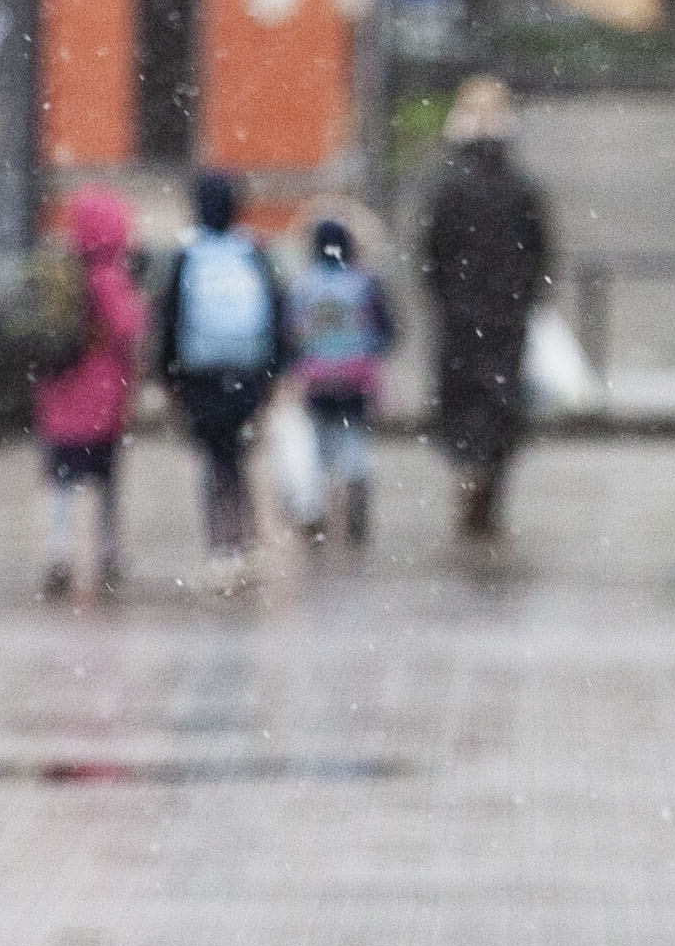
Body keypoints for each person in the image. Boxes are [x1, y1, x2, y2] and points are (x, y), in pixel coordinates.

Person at [419, 75, 553, 542]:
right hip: (506, 316)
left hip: (460, 316)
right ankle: (489, 488)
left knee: (461, 401)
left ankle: (468, 473)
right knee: (501, 403)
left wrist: (445, 296)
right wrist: (526, 296)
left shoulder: (448, 185)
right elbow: (540, 252)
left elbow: (432, 252)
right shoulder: (521, 186)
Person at [159, 169, 288, 593]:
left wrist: (168, 378)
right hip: (248, 375)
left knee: (216, 462)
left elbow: (169, 322)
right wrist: (275, 373)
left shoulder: (188, 255)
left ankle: (222, 548)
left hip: (202, 376)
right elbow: (279, 313)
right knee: (240, 456)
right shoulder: (252, 251)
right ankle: (248, 542)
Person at [34, 188, 145, 600]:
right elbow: (129, 328)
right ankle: (108, 553)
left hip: (59, 398)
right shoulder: (109, 276)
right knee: (105, 482)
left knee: (61, 481)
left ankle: (57, 552)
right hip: (102, 402)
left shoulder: (63, 272)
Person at [289, 210, 394, 550]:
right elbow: (384, 333)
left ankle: (316, 512)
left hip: (316, 380)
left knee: (319, 446)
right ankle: (355, 512)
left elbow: (290, 334)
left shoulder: (304, 286)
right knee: (354, 443)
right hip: (356, 379)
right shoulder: (363, 284)